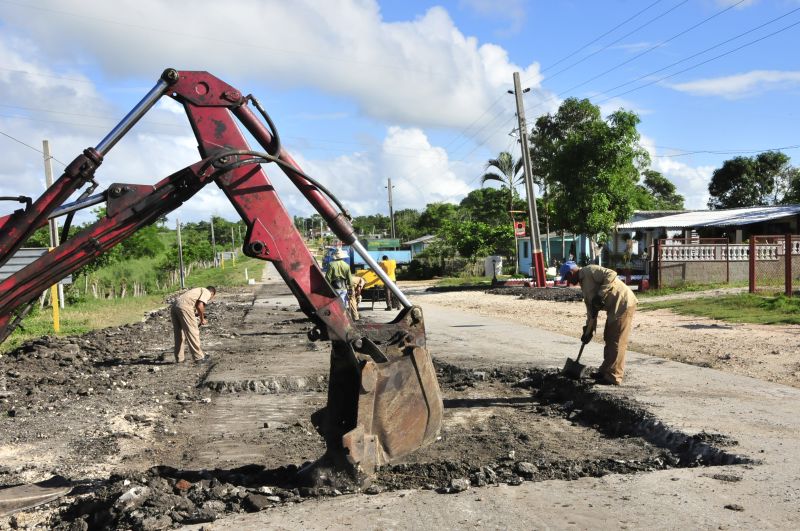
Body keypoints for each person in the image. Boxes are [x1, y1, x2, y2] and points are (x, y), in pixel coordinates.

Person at [565, 265, 637, 385]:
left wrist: (600, 294)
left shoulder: (589, 270)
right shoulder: (584, 284)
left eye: (567, 277)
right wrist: (588, 331)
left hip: (623, 303)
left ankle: (614, 376)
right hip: (614, 308)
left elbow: (612, 273)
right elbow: (591, 310)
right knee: (609, 337)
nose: (568, 281)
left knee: (616, 341)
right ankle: (605, 371)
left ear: (572, 271)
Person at [170, 286, 216, 364]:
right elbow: (200, 306)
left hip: (175, 306)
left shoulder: (196, 291)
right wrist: (202, 319)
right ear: (212, 293)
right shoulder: (207, 292)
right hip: (184, 306)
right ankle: (199, 358)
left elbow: (194, 305)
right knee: (193, 332)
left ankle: (179, 358)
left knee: (179, 334)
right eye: (212, 297)